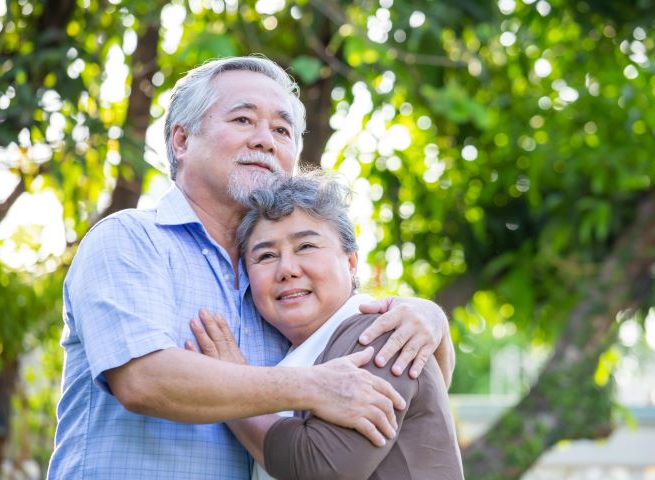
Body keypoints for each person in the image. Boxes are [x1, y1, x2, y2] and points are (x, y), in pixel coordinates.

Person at [47, 55, 454, 479]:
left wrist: (433, 322)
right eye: (243, 120)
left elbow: (413, 395)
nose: (266, 140)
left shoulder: (285, 292)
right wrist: (315, 386)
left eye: (282, 130)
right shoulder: (131, 239)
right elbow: (143, 380)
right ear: (181, 141)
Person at [188, 174, 463, 479]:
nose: (287, 270)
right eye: (266, 255)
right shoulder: (301, 350)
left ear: (351, 262)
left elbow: (321, 468)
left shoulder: (383, 333)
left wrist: (231, 389)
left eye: (306, 246)